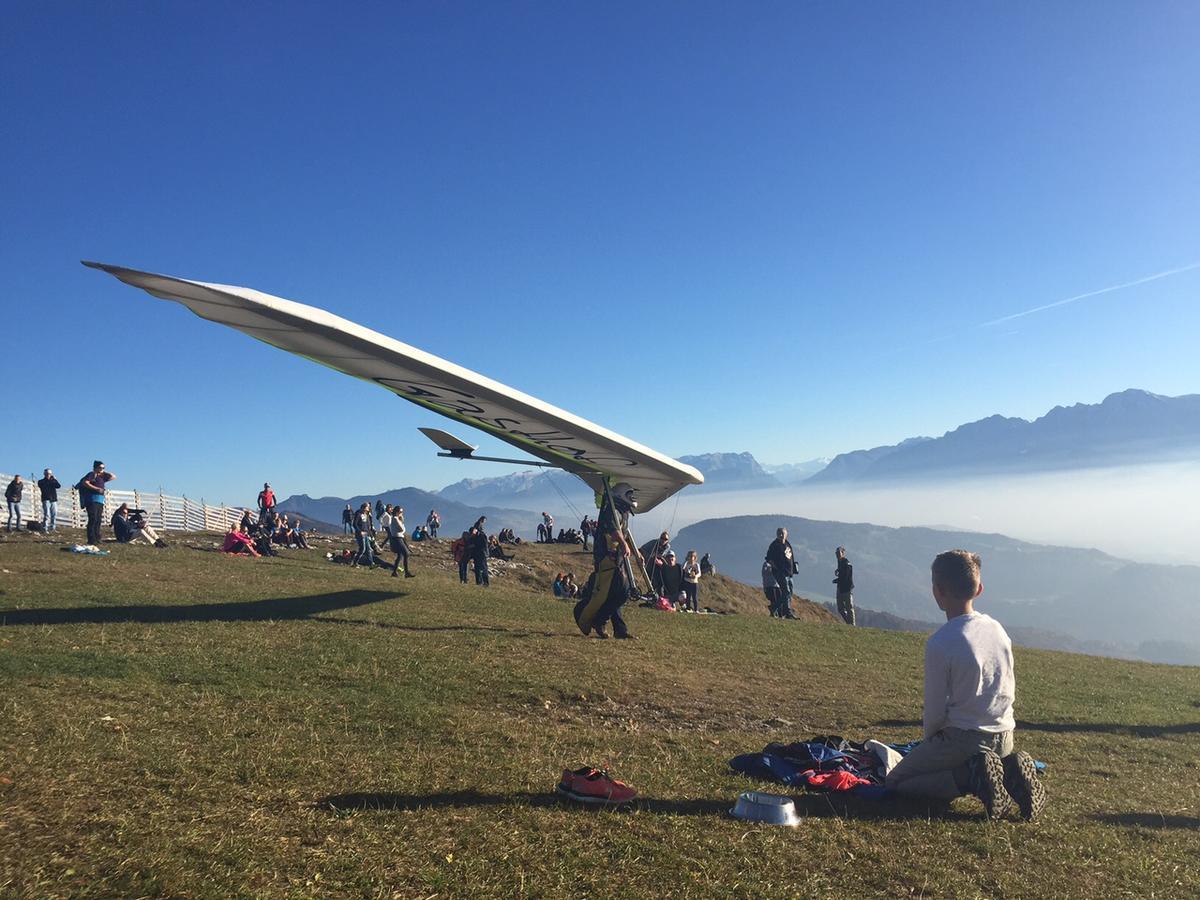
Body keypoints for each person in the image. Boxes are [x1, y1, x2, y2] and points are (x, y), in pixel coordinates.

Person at [884, 550, 1046, 821]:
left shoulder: (942, 642)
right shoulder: (997, 630)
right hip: (1005, 736)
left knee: (897, 782)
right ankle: (1010, 770)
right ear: (979, 589)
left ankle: (970, 776)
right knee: (969, 761)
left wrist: (930, 745)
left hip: (965, 739)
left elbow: (934, 712)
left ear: (938, 591)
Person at [574, 482, 645, 640]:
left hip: (617, 558)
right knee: (622, 592)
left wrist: (636, 552)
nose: (631, 498)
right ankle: (592, 617)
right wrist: (623, 543)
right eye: (629, 494)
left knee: (616, 593)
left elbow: (625, 534)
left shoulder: (623, 512)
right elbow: (614, 531)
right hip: (607, 557)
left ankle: (619, 629)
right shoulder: (611, 510)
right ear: (621, 495)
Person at [766, 527, 798, 619]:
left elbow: (790, 557)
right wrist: (776, 568)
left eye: (782, 533)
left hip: (789, 573)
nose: (781, 535)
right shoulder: (774, 545)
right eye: (779, 533)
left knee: (789, 593)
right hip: (780, 573)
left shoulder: (788, 544)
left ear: (786, 534)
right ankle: (787, 612)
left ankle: (775, 608)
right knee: (786, 592)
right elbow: (769, 558)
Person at [79, 461, 115, 545]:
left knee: (98, 520)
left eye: (103, 468)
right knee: (93, 519)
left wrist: (103, 472)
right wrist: (96, 488)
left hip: (100, 500)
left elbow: (113, 477)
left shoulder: (102, 477)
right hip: (91, 499)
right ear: (96, 468)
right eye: (100, 468)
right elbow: (85, 482)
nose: (102, 469)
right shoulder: (91, 474)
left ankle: (97, 538)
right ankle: (91, 539)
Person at [386, 505, 414, 578]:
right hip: (397, 538)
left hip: (398, 538)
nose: (402, 513)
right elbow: (402, 529)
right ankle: (406, 572)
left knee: (400, 555)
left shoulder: (395, 519)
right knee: (406, 554)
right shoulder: (395, 519)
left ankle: (394, 572)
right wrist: (402, 524)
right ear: (397, 512)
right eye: (401, 512)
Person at [833, 546, 856, 626]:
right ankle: (848, 623)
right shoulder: (840, 562)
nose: (837, 555)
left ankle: (852, 625)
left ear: (843, 553)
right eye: (836, 553)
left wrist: (837, 580)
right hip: (840, 588)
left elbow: (846, 576)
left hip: (847, 589)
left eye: (838, 553)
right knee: (840, 608)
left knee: (849, 608)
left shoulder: (847, 563)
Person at [352, 502, 375, 567]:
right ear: (364, 507)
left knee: (368, 549)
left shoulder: (367, 515)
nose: (368, 508)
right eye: (367, 507)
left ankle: (371, 564)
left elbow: (368, 526)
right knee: (362, 549)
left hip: (366, 534)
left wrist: (371, 535)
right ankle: (355, 562)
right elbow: (355, 524)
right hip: (360, 534)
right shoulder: (358, 514)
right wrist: (360, 531)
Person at [469, 516, 489, 585]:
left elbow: (484, 545)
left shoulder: (481, 536)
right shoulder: (477, 535)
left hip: (481, 554)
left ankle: (485, 583)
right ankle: (479, 582)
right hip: (478, 554)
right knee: (478, 568)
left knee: (483, 568)